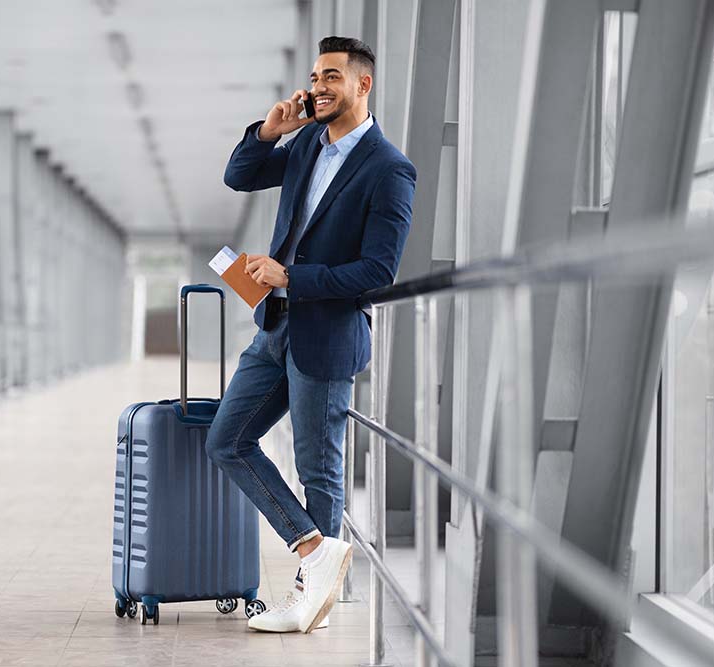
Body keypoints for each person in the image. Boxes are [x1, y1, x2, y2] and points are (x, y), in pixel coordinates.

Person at [205, 35, 416, 634]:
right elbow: (238, 176)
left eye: (331, 77)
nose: (319, 87)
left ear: (362, 84)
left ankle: (313, 600)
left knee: (317, 469)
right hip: (274, 326)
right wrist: (270, 131)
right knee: (227, 440)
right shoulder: (302, 146)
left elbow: (378, 271)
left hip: (326, 331)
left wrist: (292, 276)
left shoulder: (389, 169)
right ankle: (315, 551)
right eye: (315, 77)